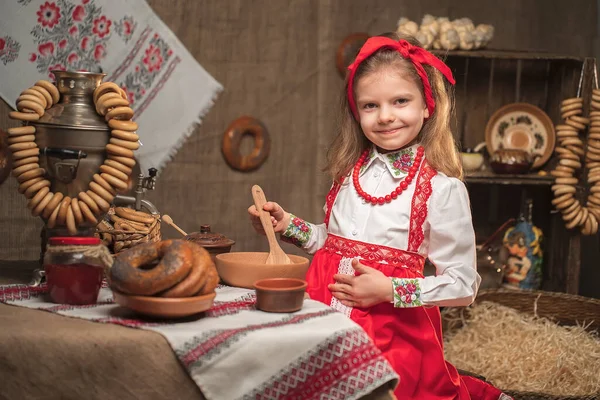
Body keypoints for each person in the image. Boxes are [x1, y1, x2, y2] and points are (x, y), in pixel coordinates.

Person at [249, 32, 511, 400]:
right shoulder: (348, 172)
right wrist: (289, 225)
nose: (386, 116)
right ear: (357, 112)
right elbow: (336, 244)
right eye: (370, 106)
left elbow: (463, 285)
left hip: (391, 334)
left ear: (426, 105)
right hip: (322, 315)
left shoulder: (440, 189)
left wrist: (389, 289)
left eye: (400, 101)